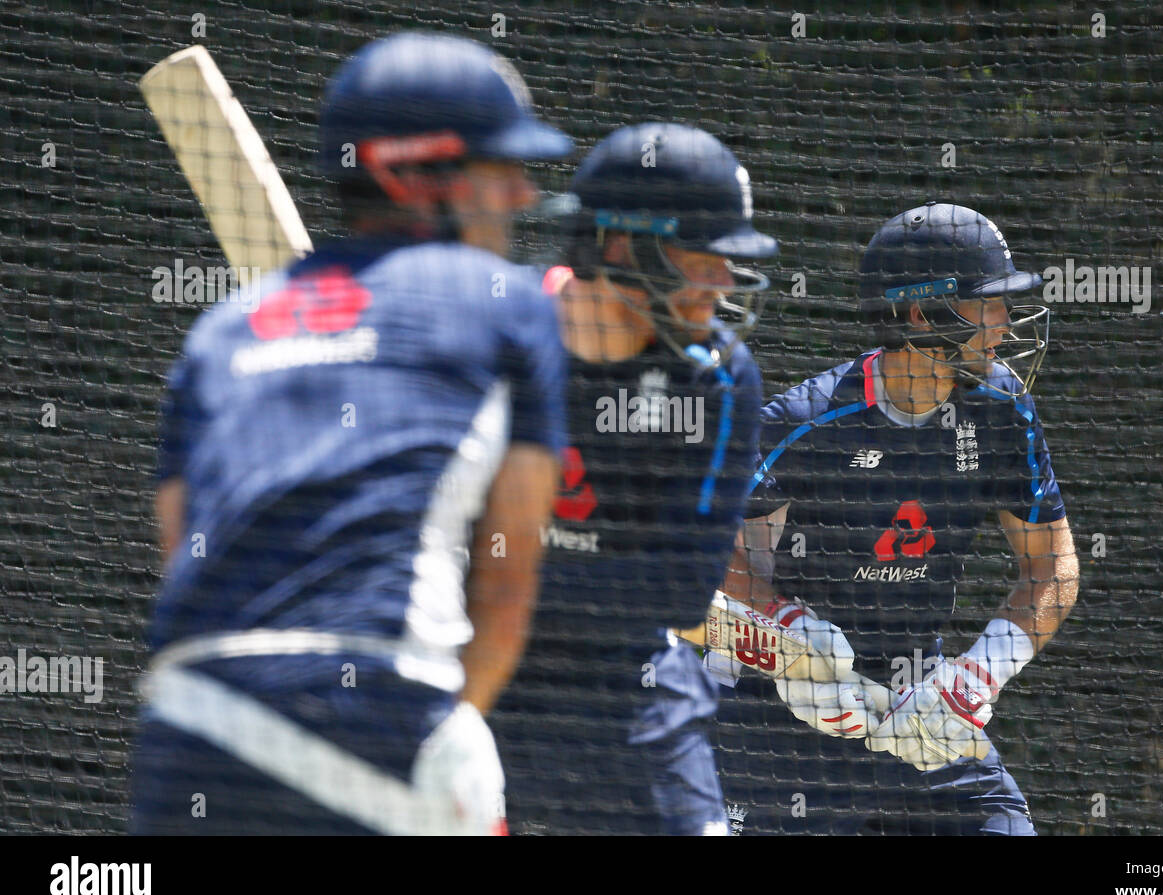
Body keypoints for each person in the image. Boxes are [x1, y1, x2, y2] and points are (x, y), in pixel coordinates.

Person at [131, 32, 572, 835]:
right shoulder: (509, 303)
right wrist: (446, 732)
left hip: (186, 716)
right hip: (374, 699)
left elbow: (183, 552)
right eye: (499, 169)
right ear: (414, 176)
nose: (521, 196)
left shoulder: (223, 331)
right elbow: (506, 590)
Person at [715, 202, 1079, 835]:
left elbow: (1053, 567)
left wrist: (978, 675)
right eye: (987, 304)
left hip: (921, 715)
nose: (1006, 324)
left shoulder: (1003, 412)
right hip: (776, 726)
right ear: (921, 314)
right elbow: (706, 556)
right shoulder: (804, 420)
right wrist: (788, 643)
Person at [490, 123, 777, 835]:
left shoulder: (719, 379)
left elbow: (678, 588)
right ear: (621, 246)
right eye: (703, 257)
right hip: (475, 670)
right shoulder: (487, 334)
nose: (722, 283)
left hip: (628, 684)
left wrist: (490, 573)